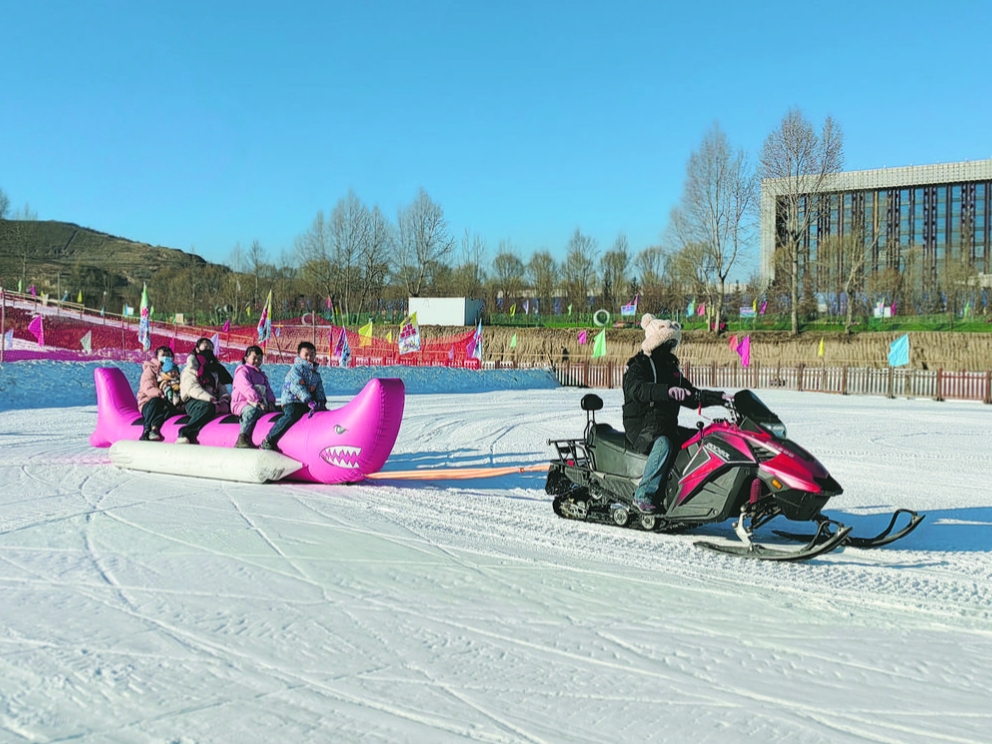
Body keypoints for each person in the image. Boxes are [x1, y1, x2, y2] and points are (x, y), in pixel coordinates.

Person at [622, 314, 728, 513]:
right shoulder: (638, 366)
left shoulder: (671, 370)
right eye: (664, 342)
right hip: (642, 426)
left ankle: (689, 493)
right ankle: (643, 495)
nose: (668, 348)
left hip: (664, 424)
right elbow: (636, 389)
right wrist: (666, 391)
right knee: (664, 444)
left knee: (699, 439)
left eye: (671, 343)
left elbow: (691, 394)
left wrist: (720, 398)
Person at [260, 341, 326, 452]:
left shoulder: (316, 374)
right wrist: (308, 400)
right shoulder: (295, 371)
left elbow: (319, 389)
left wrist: (321, 401)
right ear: (299, 355)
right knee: (292, 414)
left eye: (312, 354)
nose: (309, 357)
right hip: (292, 401)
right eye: (306, 354)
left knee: (321, 414)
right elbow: (297, 387)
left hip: (306, 403)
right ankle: (269, 439)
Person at [177, 337, 233, 444]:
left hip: (214, 401)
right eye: (205, 346)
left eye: (211, 347)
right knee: (206, 407)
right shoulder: (191, 368)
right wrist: (209, 398)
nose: (208, 349)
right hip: (194, 401)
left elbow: (221, 387)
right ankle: (185, 432)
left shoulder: (216, 369)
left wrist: (224, 398)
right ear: (197, 349)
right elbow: (192, 388)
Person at [230, 345, 278, 448]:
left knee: (272, 410)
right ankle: (242, 437)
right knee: (251, 411)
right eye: (254, 358)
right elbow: (246, 387)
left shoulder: (261, 375)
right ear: (246, 358)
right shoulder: (242, 371)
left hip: (260, 403)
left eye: (259, 359)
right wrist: (258, 400)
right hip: (242, 403)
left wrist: (270, 402)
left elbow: (268, 390)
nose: (257, 361)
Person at [136, 346, 178, 441]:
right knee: (156, 401)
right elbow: (148, 387)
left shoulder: (173, 370)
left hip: (165, 401)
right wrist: (161, 394)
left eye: (168, 355)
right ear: (157, 356)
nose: (166, 357)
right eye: (163, 355)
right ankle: (146, 429)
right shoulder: (150, 370)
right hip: (148, 402)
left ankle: (156, 428)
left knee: (171, 407)